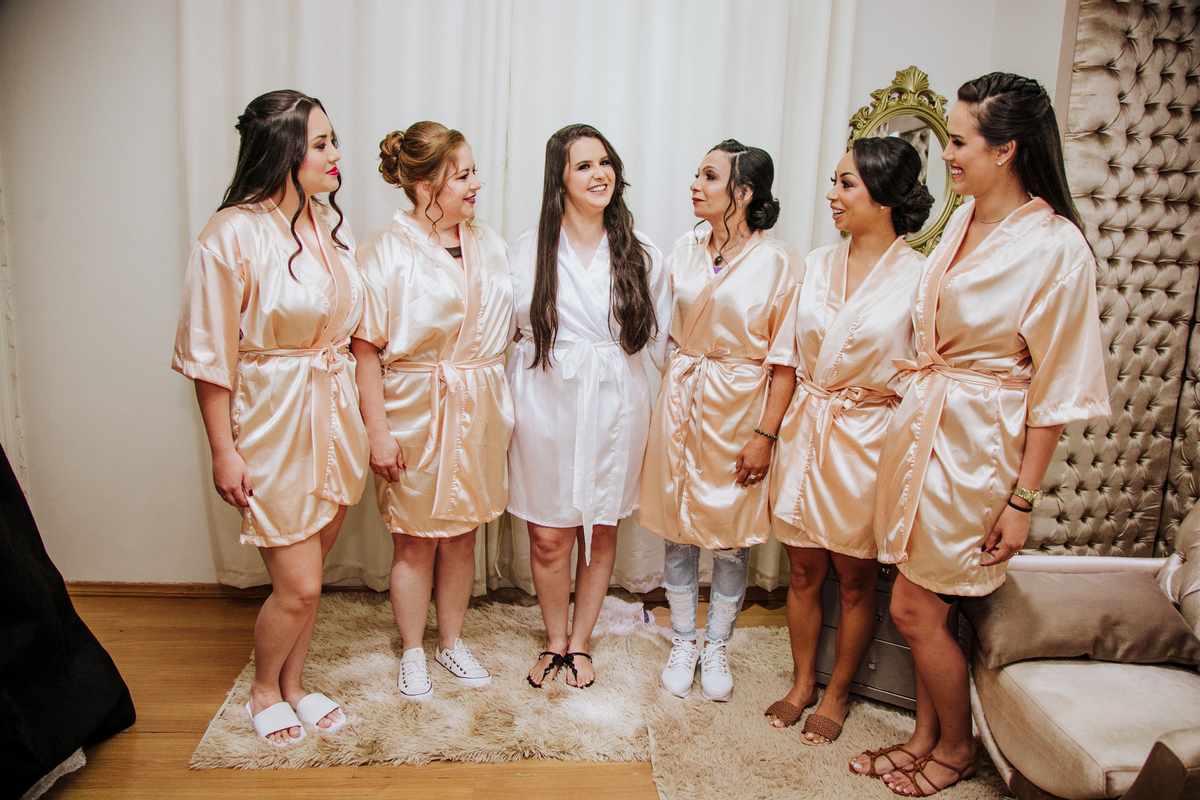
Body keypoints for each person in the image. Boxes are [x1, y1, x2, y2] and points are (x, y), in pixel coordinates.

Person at [851, 73, 1110, 796]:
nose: (947, 155)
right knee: (922, 601)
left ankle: (958, 749)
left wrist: (1022, 499)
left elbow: (1056, 389)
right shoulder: (963, 220)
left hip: (979, 450)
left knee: (914, 607)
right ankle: (924, 737)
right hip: (925, 432)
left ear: (1006, 149)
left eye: (959, 142)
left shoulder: (1055, 247)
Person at [172, 90, 368, 746]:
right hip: (269, 421)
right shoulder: (230, 234)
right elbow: (209, 355)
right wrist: (223, 450)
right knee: (300, 587)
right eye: (321, 143)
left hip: (333, 415)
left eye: (334, 140)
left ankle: (295, 684)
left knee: (315, 569)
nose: (335, 154)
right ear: (283, 150)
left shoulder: (328, 224)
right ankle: (263, 690)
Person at [763, 137, 933, 740]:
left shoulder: (920, 278)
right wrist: (766, 434)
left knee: (856, 580)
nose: (831, 195)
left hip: (868, 438)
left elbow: (926, 374)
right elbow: (786, 356)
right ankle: (802, 682)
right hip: (806, 426)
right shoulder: (816, 263)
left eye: (845, 184)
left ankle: (837, 694)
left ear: (883, 197)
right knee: (802, 571)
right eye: (834, 182)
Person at [352, 122, 514, 700]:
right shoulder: (383, 251)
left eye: (474, 172)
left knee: (464, 535)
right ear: (425, 185)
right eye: (462, 175)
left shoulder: (487, 241)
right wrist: (378, 433)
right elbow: (364, 350)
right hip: (414, 409)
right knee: (415, 539)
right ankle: (413, 650)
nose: (476, 184)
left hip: (477, 405)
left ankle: (451, 642)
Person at [507, 124, 671, 689]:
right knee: (548, 533)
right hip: (544, 398)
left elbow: (664, 343)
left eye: (605, 163)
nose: (600, 174)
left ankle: (580, 643)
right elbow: (501, 329)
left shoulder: (642, 253)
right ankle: (554, 639)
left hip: (615, 403)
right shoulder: (526, 250)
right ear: (559, 179)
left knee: (600, 529)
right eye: (583, 165)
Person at [640, 140, 803, 702]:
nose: (695, 184)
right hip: (682, 399)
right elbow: (664, 329)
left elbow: (786, 359)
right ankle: (684, 639)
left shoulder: (780, 262)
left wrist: (766, 434)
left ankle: (717, 643)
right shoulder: (683, 250)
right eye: (697, 173)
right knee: (679, 523)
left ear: (744, 191)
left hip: (741, 406)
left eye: (709, 176)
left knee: (731, 531)